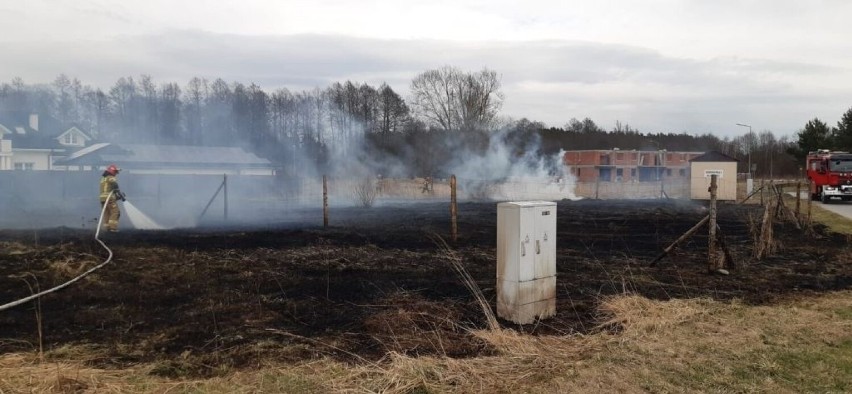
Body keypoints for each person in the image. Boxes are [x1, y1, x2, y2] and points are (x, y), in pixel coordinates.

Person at [99, 164, 125, 232]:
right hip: (109, 198)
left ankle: (107, 228)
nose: (116, 173)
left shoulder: (103, 178)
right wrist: (118, 191)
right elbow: (114, 185)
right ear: (112, 171)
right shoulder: (110, 177)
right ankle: (113, 228)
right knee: (116, 212)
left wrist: (116, 196)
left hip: (102, 199)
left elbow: (107, 190)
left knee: (107, 213)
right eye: (115, 172)